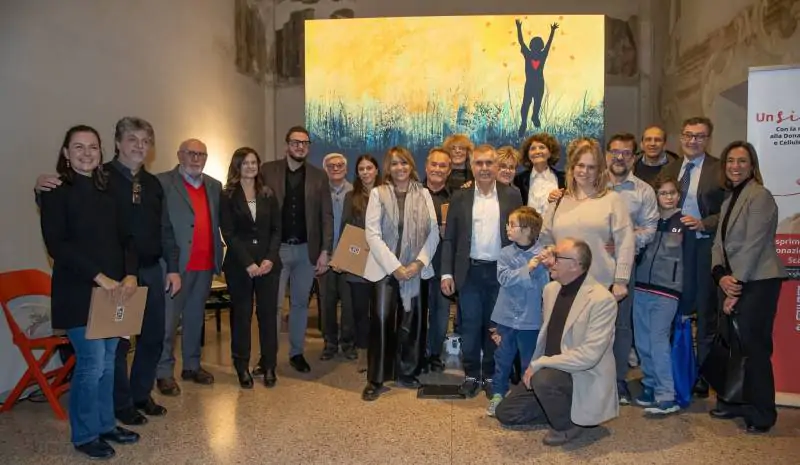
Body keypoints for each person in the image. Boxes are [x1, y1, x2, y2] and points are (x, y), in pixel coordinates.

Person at [34, 117, 181, 425]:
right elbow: (60, 226)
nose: (139, 146)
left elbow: (158, 230)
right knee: (111, 352)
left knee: (150, 338)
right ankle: (118, 407)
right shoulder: (100, 179)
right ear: (116, 144)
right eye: (132, 140)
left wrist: (169, 267)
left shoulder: (147, 184)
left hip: (143, 271)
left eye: (145, 141)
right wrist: (39, 188)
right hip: (103, 279)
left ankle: (136, 398)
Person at [40, 125, 141, 459]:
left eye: (93, 147)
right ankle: (85, 434)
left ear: (101, 152)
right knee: (92, 363)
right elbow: (58, 246)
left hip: (114, 291)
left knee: (109, 362)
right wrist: (100, 277)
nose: (87, 153)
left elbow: (128, 238)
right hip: (78, 291)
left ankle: (105, 424)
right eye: (78, 147)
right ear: (66, 154)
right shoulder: (55, 191)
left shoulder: (110, 190)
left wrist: (129, 274)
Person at [495, 238, 619, 446]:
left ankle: (568, 426)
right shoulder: (551, 290)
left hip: (581, 374)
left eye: (557, 257)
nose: (550, 261)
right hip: (551, 372)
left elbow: (589, 356)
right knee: (506, 412)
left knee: (543, 379)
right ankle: (566, 410)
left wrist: (540, 363)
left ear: (575, 265)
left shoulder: (602, 300)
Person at [709, 141, 787, 433]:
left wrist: (735, 286)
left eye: (742, 161)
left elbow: (753, 245)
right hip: (733, 280)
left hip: (757, 282)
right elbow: (718, 244)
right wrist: (719, 275)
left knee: (754, 349)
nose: (735, 166)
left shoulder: (760, 195)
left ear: (752, 166)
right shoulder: (730, 198)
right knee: (734, 346)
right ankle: (734, 402)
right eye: (730, 161)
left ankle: (762, 413)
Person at [441, 144, 524, 398]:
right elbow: (450, 238)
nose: (485, 168)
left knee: (494, 327)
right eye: (479, 163)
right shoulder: (460, 197)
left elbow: (521, 236)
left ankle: (489, 375)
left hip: (501, 274)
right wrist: (446, 273)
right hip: (469, 273)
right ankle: (470, 375)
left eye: (489, 163)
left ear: (497, 166)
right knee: (469, 326)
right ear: (471, 166)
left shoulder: (513, 195)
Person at [361, 146, 440, 401]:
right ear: (388, 167)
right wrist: (395, 267)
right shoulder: (378, 193)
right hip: (385, 269)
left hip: (415, 269)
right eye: (394, 163)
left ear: (411, 166)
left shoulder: (424, 193)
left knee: (412, 322)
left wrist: (419, 263)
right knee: (382, 320)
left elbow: (434, 232)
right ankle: (376, 378)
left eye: (404, 163)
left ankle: (407, 372)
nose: (400, 168)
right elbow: (372, 234)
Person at [259, 126, 333, 374]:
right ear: (286, 145)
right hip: (276, 250)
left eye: (305, 143)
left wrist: (325, 250)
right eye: (295, 142)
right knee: (273, 305)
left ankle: (296, 353)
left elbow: (326, 216)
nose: (300, 147)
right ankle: (267, 357)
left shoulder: (319, 177)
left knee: (300, 304)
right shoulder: (267, 171)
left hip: (306, 251)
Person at [661, 116, 725, 398]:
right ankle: (677, 369)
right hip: (673, 248)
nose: (693, 140)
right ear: (681, 136)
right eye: (688, 135)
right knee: (675, 308)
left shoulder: (719, 169)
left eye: (699, 136)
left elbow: (730, 211)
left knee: (705, 311)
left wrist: (704, 224)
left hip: (703, 246)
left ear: (708, 139)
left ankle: (702, 374)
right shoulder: (670, 168)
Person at [156, 139, 224, 395]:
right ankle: (164, 372)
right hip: (174, 266)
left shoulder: (214, 186)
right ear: (179, 155)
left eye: (201, 154)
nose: (196, 159)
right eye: (191, 153)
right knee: (168, 322)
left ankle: (192, 366)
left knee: (195, 319)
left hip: (205, 263)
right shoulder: (163, 183)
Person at [539, 139, 635, 302]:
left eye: (591, 167)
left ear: (599, 170)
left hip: (601, 287)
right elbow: (545, 240)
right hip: (561, 286)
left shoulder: (612, 200)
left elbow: (625, 242)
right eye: (581, 165)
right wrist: (550, 255)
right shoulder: (558, 201)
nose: (585, 171)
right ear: (572, 168)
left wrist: (621, 281)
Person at [219, 148, 281, 389]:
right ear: (237, 166)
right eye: (245, 163)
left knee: (268, 316)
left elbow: (276, 229)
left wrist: (269, 259)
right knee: (242, 316)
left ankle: (269, 365)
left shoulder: (267, 193)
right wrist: (248, 263)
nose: (250, 166)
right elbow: (229, 232)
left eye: (254, 162)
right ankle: (241, 366)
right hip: (239, 266)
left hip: (268, 266)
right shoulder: (227, 195)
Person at [605, 133, 659, 404]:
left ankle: (617, 380)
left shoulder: (643, 191)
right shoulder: (592, 184)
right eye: (615, 152)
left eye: (626, 153)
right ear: (607, 154)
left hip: (625, 266)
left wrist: (622, 240)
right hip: (591, 265)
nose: (619, 157)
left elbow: (649, 229)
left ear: (634, 157)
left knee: (622, 325)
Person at [486, 206, 550, 416]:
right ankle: (498, 394)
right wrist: (527, 269)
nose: (507, 228)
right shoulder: (505, 253)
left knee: (529, 361)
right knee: (502, 358)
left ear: (527, 230)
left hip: (531, 319)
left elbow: (545, 286)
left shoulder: (544, 255)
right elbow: (504, 278)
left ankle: (527, 398)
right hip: (506, 318)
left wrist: (540, 266)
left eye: (512, 225)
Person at [632, 175, 685, 415]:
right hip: (641, 287)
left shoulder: (685, 223)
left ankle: (666, 395)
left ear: (679, 195)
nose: (668, 197)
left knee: (658, 342)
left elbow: (690, 261)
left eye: (672, 192)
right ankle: (650, 385)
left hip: (667, 292)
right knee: (642, 342)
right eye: (663, 193)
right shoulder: (648, 221)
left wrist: (688, 298)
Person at [337, 154, 383, 373]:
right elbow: (346, 228)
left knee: (380, 310)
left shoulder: (387, 194)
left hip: (381, 260)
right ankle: (363, 353)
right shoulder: (351, 196)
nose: (365, 172)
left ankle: (379, 352)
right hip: (358, 261)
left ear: (376, 170)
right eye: (361, 169)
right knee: (360, 310)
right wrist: (341, 258)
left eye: (369, 168)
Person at [319, 153, 355, 361]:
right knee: (327, 304)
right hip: (325, 258)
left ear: (346, 168)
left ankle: (348, 344)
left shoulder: (355, 193)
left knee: (349, 305)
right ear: (325, 169)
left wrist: (348, 257)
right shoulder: (319, 193)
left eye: (340, 165)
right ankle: (330, 344)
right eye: (331, 166)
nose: (335, 168)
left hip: (348, 259)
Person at [421, 148, 453, 372]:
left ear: (449, 171)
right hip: (417, 266)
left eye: (443, 166)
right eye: (434, 164)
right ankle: (416, 353)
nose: (438, 169)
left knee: (441, 314)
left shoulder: (456, 199)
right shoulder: (413, 195)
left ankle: (434, 354)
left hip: (443, 265)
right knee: (416, 314)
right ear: (426, 166)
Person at [515, 19, 559, 136]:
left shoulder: (533, 54)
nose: (535, 47)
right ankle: (524, 122)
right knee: (527, 104)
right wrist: (518, 28)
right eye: (535, 45)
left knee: (534, 104)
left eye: (536, 45)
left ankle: (533, 117)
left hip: (536, 84)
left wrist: (552, 31)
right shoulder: (533, 54)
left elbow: (522, 42)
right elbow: (521, 42)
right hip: (533, 84)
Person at [513, 133, 566, 214]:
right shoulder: (519, 179)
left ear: (550, 153)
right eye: (533, 149)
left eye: (542, 147)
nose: (537, 151)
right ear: (528, 155)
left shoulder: (564, 178)